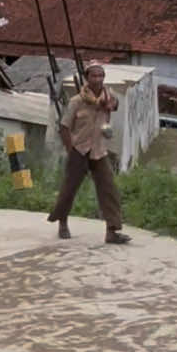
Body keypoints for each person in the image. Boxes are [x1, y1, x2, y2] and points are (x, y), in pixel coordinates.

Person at [47, 61, 131, 243]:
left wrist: (110, 103)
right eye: (94, 75)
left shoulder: (108, 98)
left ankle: (112, 231)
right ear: (87, 78)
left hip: (99, 151)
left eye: (101, 76)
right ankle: (62, 222)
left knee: (109, 189)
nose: (98, 79)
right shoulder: (77, 101)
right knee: (69, 189)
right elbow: (64, 127)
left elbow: (114, 104)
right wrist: (71, 150)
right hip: (80, 149)